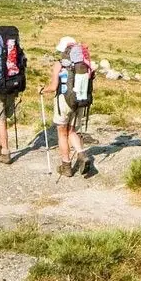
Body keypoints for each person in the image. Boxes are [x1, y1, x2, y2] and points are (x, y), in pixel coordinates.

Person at [41, 36, 95, 176]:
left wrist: (42, 90)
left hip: (63, 101)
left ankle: (66, 167)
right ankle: (82, 154)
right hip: (79, 100)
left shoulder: (59, 65)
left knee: (62, 133)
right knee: (72, 131)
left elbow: (53, 87)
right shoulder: (84, 64)